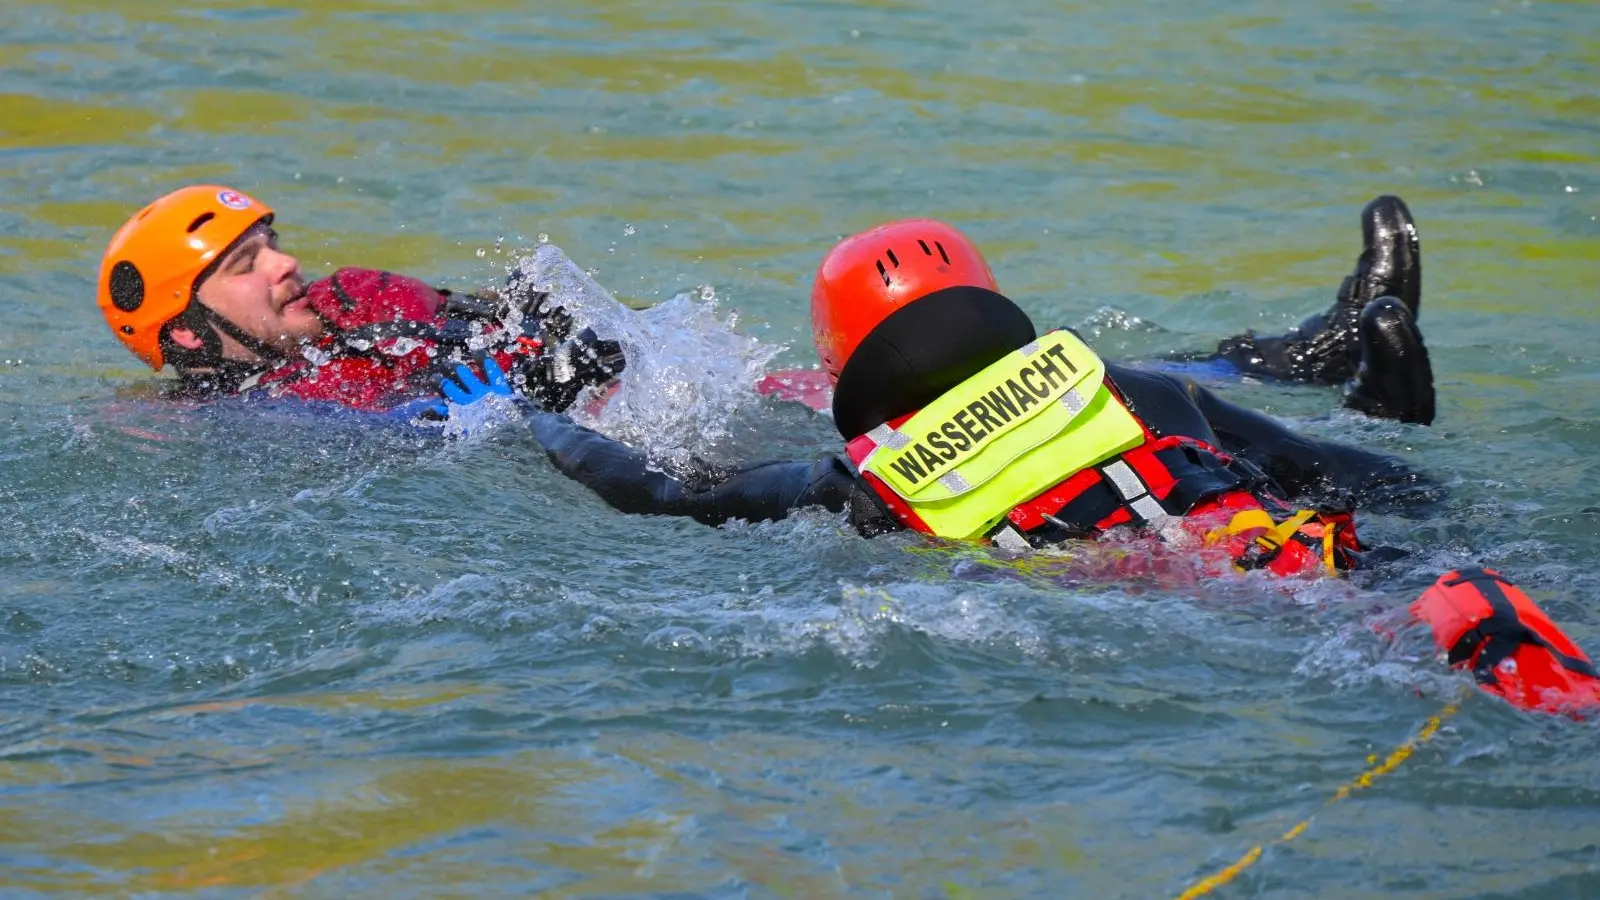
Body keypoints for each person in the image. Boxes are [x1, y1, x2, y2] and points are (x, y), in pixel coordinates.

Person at [506, 201, 1439, 578]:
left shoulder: (858, 483)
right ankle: (1358, 372)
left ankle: (1345, 361)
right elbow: (1386, 483)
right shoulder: (1135, 389)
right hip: (1315, 553)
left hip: (1187, 600)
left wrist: (539, 414)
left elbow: (658, 496)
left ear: (845, 365)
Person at [95, 184, 625, 418]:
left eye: (271, 246)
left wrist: (530, 309)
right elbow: (384, 435)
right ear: (188, 331)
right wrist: (527, 391)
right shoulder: (250, 417)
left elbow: (479, 320)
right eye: (245, 265)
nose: (285, 264)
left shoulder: (356, 296)